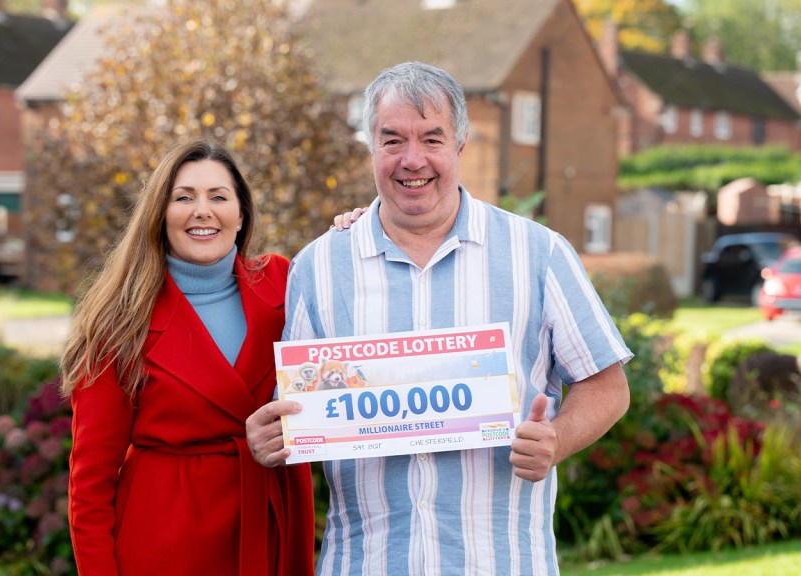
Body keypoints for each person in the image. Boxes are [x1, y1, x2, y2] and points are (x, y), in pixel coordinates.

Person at [246, 62, 633, 575]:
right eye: (392, 141)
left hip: (501, 562)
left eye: (432, 139)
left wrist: (556, 441)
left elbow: (608, 386)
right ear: (370, 149)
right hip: (367, 562)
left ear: (461, 148)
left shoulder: (537, 253)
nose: (413, 160)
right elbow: (296, 407)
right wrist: (271, 434)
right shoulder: (319, 266)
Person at [61, 139, 315, 575]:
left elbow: (356, 339)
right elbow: (90, 487)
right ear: (160, 214)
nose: (203, 210)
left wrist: (358, 228)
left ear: (241, 214)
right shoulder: (118, 321)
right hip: (166, 540)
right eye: (184, 197)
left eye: (219, 197)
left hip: (270, 522)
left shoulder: (284, 281)